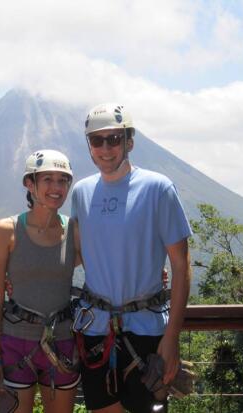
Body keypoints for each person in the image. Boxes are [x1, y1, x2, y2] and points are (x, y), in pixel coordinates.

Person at [70, 103, 192, 413]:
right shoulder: (82, 193)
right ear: (89, 145)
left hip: (148, 330)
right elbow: (79, 254)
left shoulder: (157, 188)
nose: (106, 148)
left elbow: (181, 266)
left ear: (130, 141)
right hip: (96, 330)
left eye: (114, 138)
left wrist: (172, 338)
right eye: (97, 140)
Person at [0, 149, 82, 413]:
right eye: (47, 179)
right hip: (16, 341)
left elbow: (105, 267)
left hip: (61, 342)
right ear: (29, 183)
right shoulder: (6, 230)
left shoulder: (74, 230)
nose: (56, 188)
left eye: (63, 180)